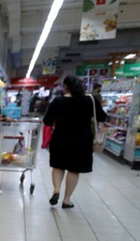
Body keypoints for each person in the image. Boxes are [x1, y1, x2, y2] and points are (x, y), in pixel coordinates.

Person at [43, 75, 106, 208]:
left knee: (58, 166)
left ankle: (56, 190)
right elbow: (101, 117)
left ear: (65, 86)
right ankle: (66, 200)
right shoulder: (90, 100)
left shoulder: (58, 101)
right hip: (82, 141)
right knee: (74, 170)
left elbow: (47, 121)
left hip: (60, 138)